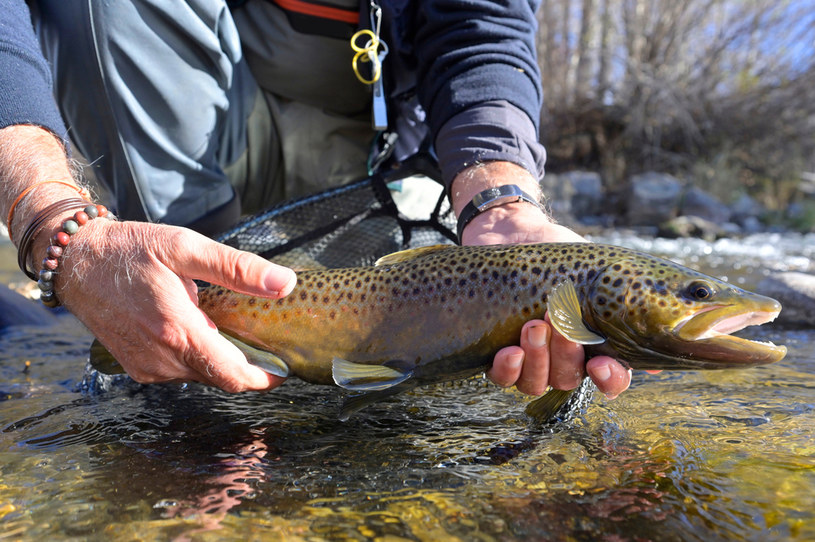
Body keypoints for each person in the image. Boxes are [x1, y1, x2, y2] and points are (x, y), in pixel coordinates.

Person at [0, 0, 633, 400]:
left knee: (401, 372)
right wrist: (52, 219)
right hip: (193, 143)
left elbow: (481, 23)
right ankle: (174, 310)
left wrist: (499, 201)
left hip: (384, 171)